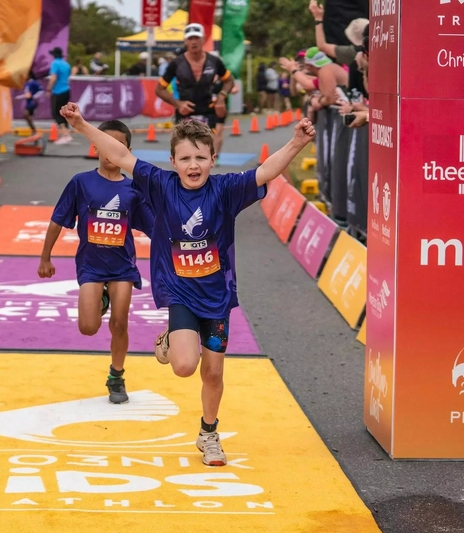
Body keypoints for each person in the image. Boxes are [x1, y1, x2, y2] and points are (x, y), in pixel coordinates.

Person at [58, 102, 316, 466]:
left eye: (200, 157)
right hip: (179, 291)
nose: (193, 165)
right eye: (184, 158)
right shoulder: (160, 185)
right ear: (173, 162)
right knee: (183, 366)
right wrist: (82, 124)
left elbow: (264, 172)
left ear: (213, 159)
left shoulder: (226, 190)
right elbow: (120, 152)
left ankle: (209, 434)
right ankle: (170, 337)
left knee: (213, 372)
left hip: (218, 296)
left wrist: (296, 143)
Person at [38, 120, 155, 405]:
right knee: (88, 328)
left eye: (118, 149)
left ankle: (116, 375)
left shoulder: (133, 190)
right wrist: (45, 257)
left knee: (120, 323)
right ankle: (100, 300)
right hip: (91, 265)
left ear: (127, 152)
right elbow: (57, 220)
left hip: (122, 267)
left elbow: (156, 229)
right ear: (95, 147)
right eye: (105, 146)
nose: (111, 154)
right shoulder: (81, 182)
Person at [155, 23, 234, 162]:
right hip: (185, 110)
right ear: (185, 41)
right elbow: (159, 89)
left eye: (196, 38)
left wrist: (221, 97)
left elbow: (229, 81)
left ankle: (208, 181)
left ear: (203, 39)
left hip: (207, 110)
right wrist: (178, 103)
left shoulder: (214, 61)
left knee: (206, 150)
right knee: (184, 149)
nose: (193, 42)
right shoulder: (176, 63)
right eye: (190, 38)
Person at [47, 47, 73, 144]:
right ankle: (66, 133)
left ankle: (65, 134)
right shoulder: (66, 64)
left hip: (58, 91)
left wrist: (49, 88)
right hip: (66, 89)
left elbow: (54, 77)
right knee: (63, 112)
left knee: (56, 113)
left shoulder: (55, 63)